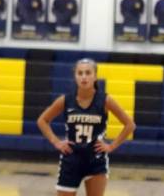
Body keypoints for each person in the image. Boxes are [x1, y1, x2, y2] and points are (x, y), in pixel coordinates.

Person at [37, 59, 136, 196]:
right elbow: (42, 120)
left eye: (88, 73)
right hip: (71, 159)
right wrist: (56, 141)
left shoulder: (105, 100)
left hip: (95, 160)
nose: (84, 76)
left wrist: (111, 146)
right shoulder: (65, 100)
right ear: (75, 76)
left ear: (95, 76)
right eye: (80, 73)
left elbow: (130, 125)